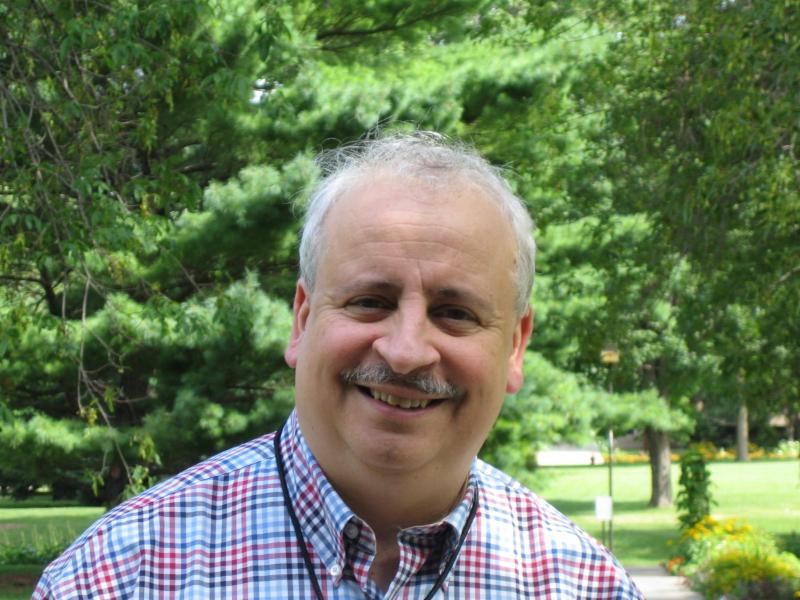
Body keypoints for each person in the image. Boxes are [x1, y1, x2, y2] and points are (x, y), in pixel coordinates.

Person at [34, 132, 642, 599]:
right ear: (302, 320)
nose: (406, 350)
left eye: (455, 313)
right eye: (370, 301)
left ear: (514, 346)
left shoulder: (584, 586)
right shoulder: (119, 576)